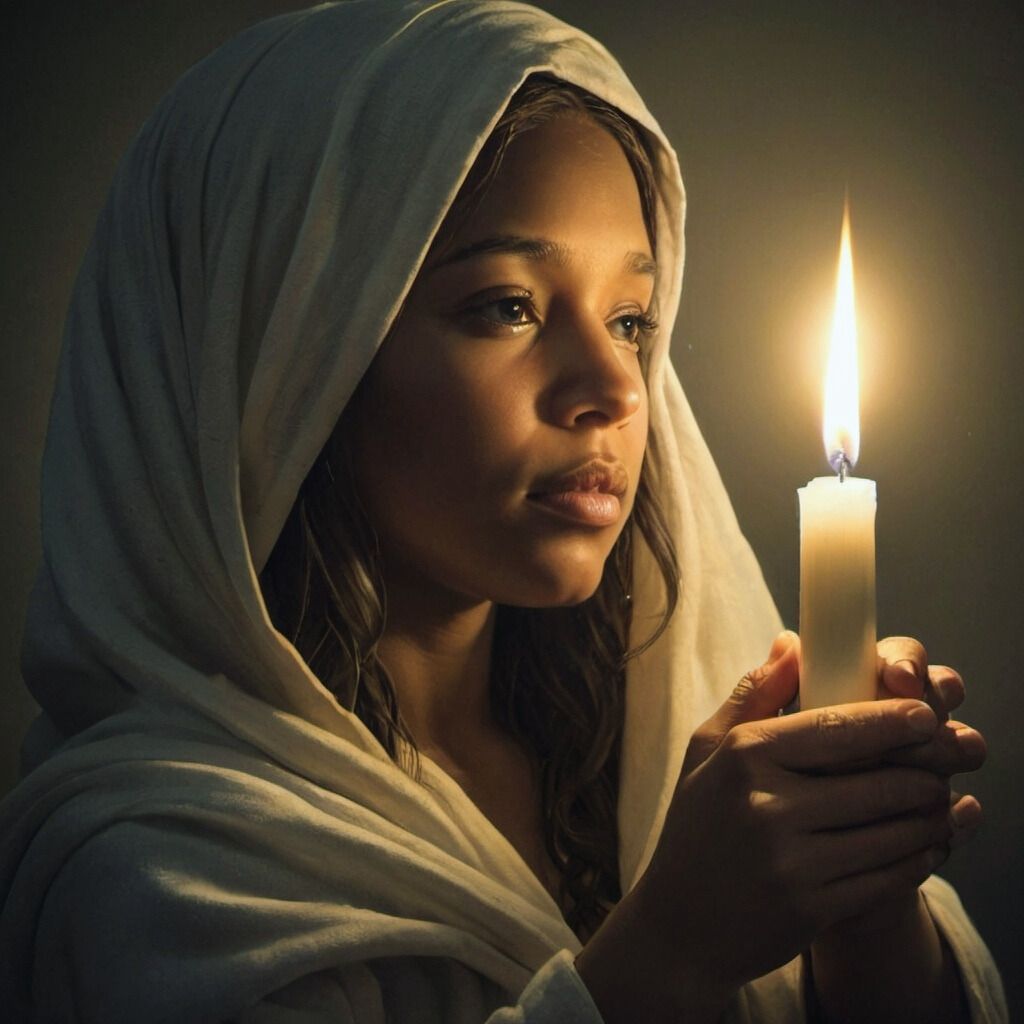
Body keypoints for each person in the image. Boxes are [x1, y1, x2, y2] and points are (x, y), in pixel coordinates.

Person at [0, 1, 1007, 1021]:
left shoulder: (666, 732)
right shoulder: (156, 876)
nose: (614, 387)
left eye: (630, 319)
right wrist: (669, 949)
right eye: (507, 306)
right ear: (282, 358)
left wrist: (864, 908)